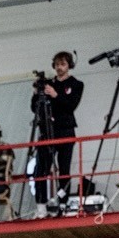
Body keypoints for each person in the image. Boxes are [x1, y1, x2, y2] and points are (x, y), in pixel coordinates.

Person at [32, 51, 85, 209]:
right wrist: (35, 94)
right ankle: (41, 204)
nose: (59, 67)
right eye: (57, 64)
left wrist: (56, 95)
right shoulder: (48, 84)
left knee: (64, 170)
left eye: (63, 64)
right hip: (47, 131)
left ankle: (63, 202)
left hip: (65, 130)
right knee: (41, 169)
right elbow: (35, 108)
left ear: (69, 65)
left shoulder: (76, 84)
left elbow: (71, 106)